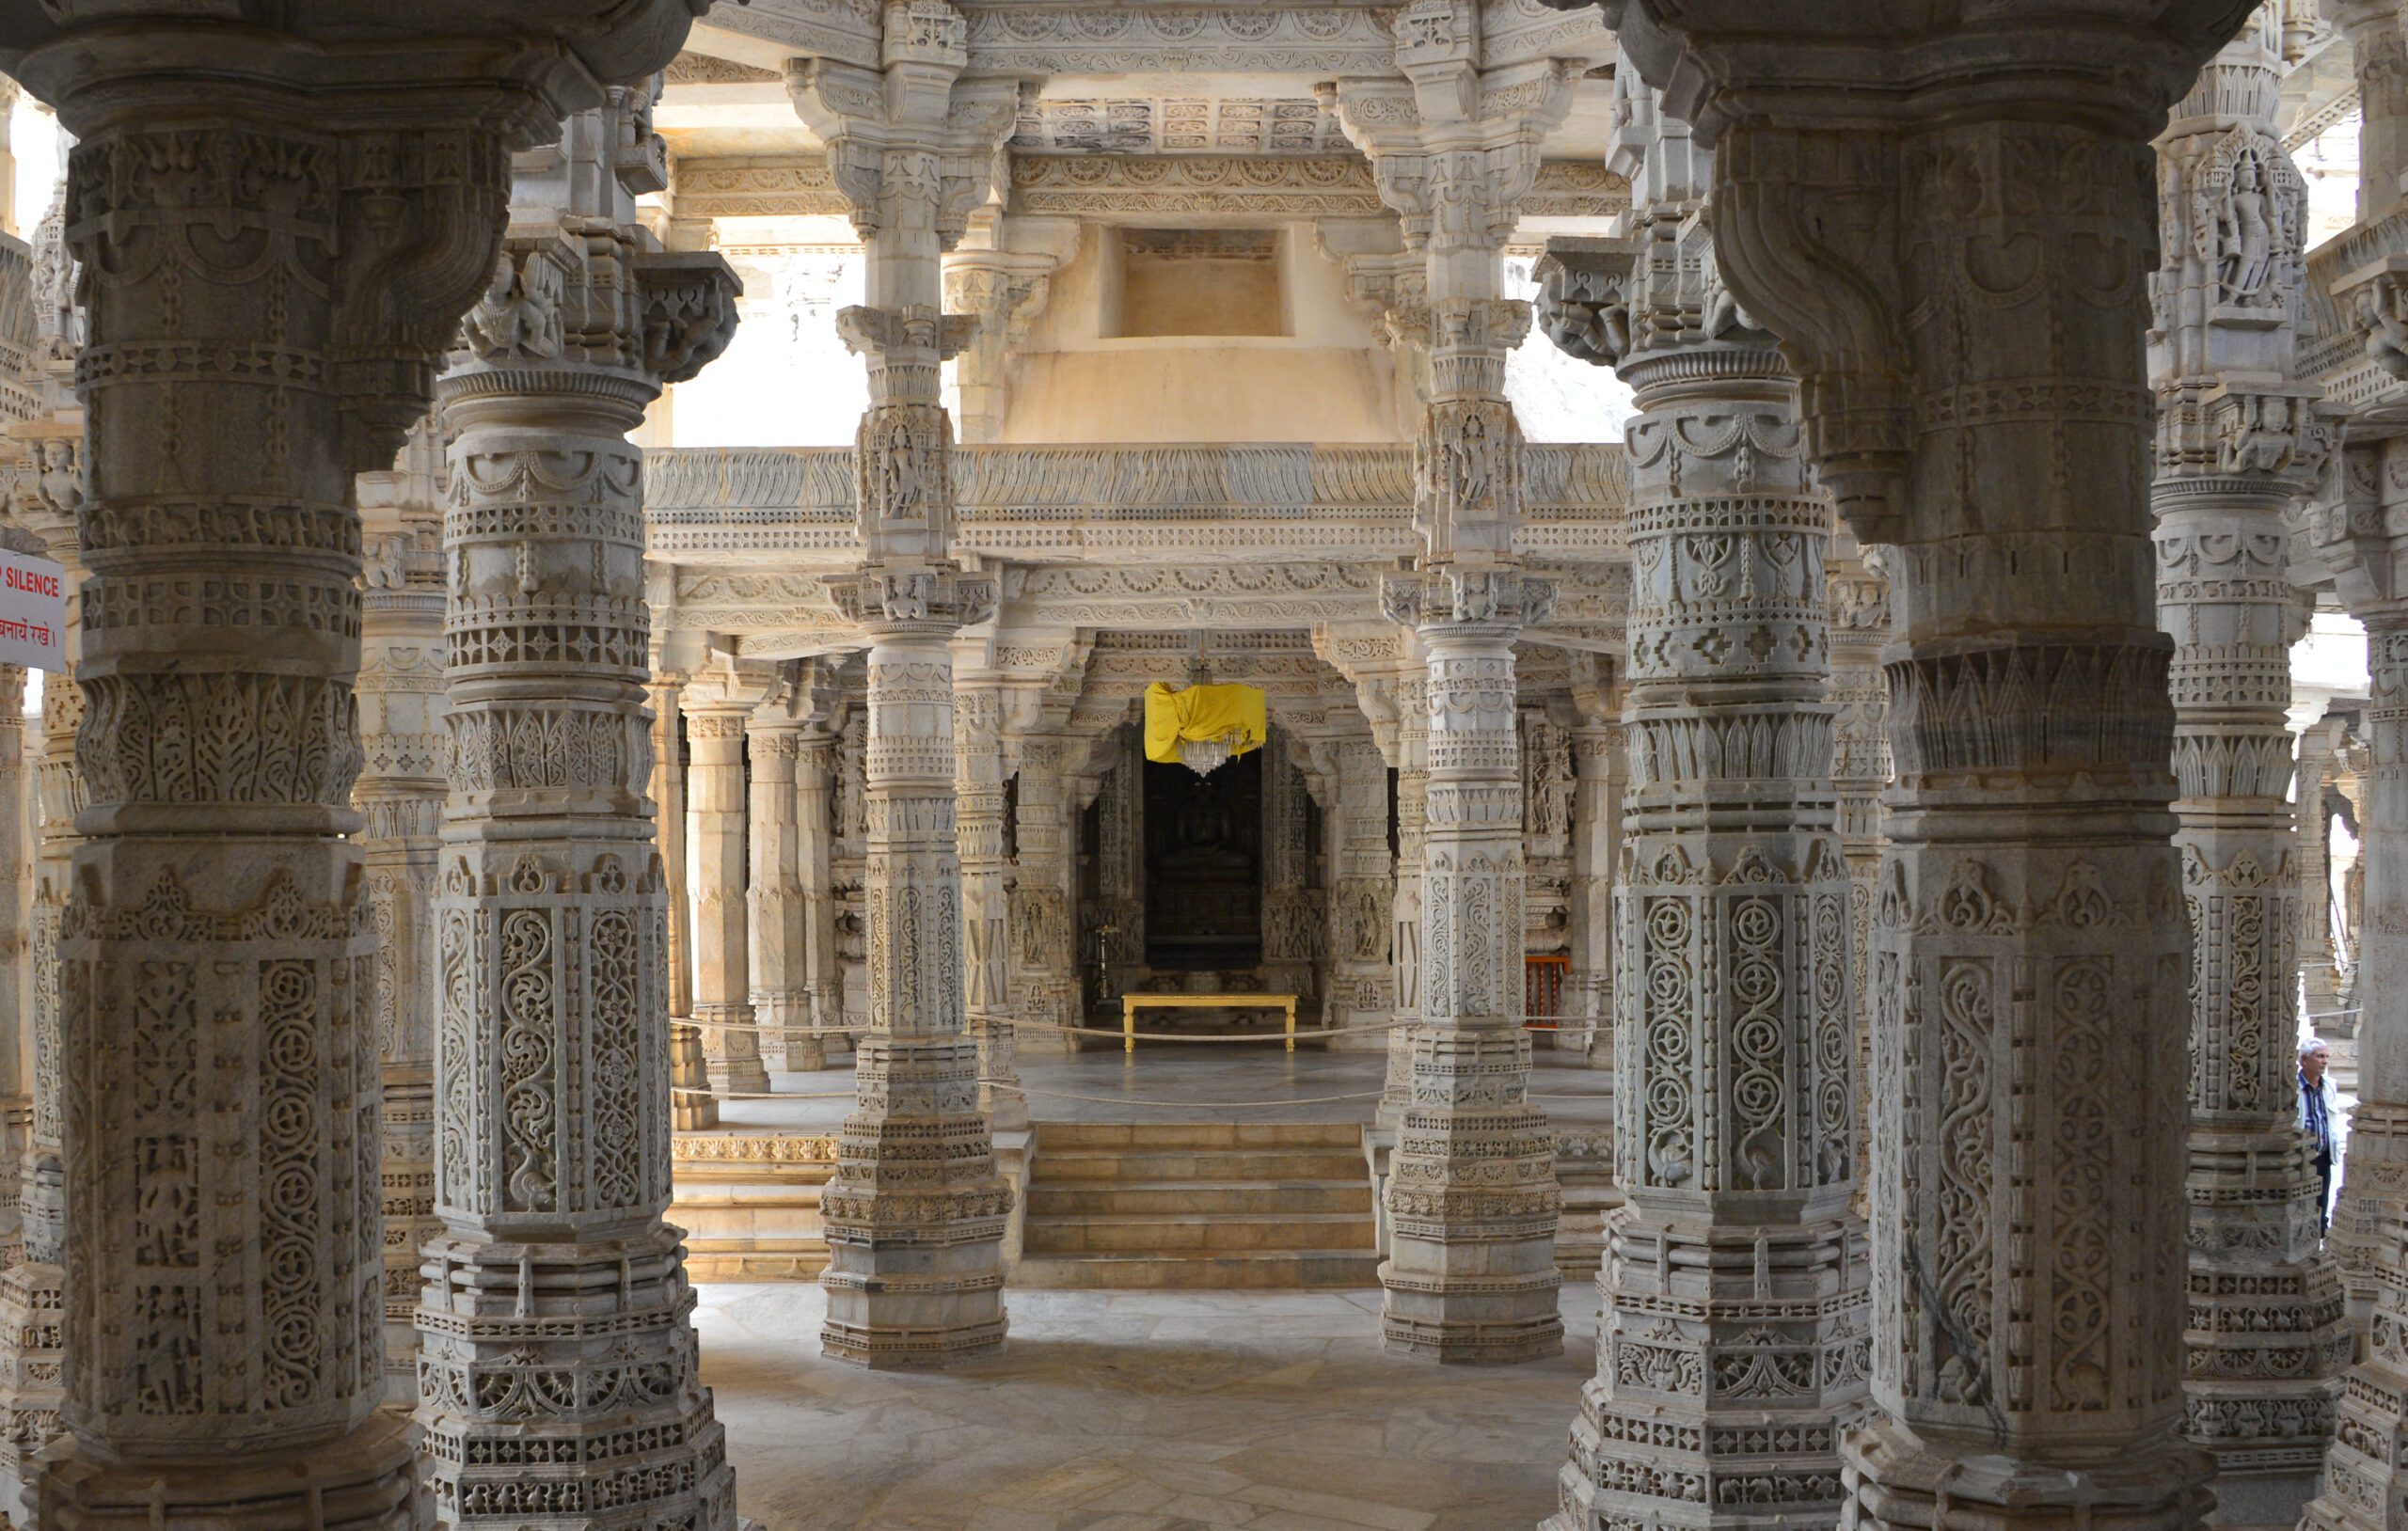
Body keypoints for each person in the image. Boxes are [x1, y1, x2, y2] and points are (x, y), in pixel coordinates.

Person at [2300, 1038, 2342, 1235]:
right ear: (2304, 1060)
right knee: (2300, 1203)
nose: (2324, 1061)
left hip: (2323, 1155)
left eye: (2326, 1057)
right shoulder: (2292, 1087)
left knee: (2321, 1203)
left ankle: (2318, 1240)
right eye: (2319, 1056)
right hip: (2301, 1156)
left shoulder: (2329, 1086)